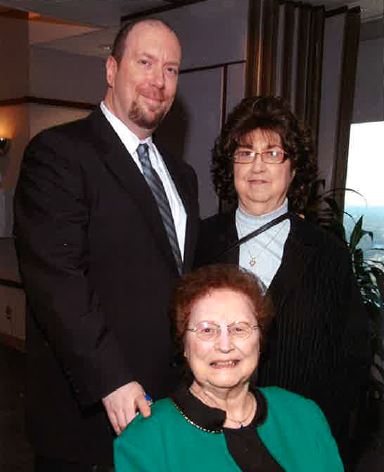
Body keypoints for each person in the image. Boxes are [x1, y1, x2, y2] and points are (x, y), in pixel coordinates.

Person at [14, 18, 199, 471]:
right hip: (94, 414)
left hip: (169, 404)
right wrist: (112, 380)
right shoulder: (58, 154)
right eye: (146, 62)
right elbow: (58, 280)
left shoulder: (182, 175)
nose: (158, 80)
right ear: (112, 70)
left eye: (171, 69)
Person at [194, 96, 369, 460]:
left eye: (273, 153)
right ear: (232, 166)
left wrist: (315, 433)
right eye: (245, 152)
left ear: (293, 169)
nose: (257, 165)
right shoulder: (199, 243)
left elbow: (351, 362)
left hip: (295, 442)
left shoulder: (328, 255)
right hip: (206, 438)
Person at [114, 264, 344, 471]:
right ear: (184, 344)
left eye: (239, 329)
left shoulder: (304, 414)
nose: (225, 345)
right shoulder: (144, 441)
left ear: (260, 340)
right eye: (207, 330)